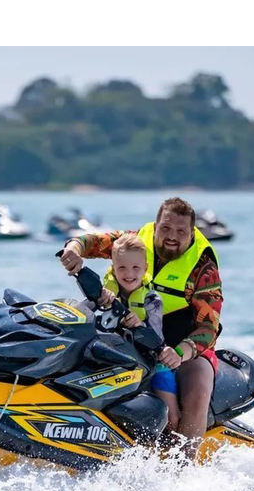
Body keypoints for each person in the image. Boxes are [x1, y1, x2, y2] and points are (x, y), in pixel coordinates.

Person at [59, 196, 222, 459]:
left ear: (192, 233)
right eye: (166, 228)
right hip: (131, 339)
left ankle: (185, 468)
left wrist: (181, 352)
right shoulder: (137, 241)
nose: (172, 237)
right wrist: (73, 249)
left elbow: (208, 327)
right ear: (156, 226)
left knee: (199, 389)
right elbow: (95, 242)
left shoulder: (203, 267)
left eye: (181, 231)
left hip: (183, 348)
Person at [97, 233, 180, 434]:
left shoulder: (152, 300)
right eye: (122, 268)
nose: (129, 274)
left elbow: (158, 339)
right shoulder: (105, 293)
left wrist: (139, 324)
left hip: (153, 362)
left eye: (136, 268)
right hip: (117, 358)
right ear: (113, 268)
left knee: (171, 418)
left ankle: (173, 446)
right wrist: (101, 301)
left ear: (145, 269)